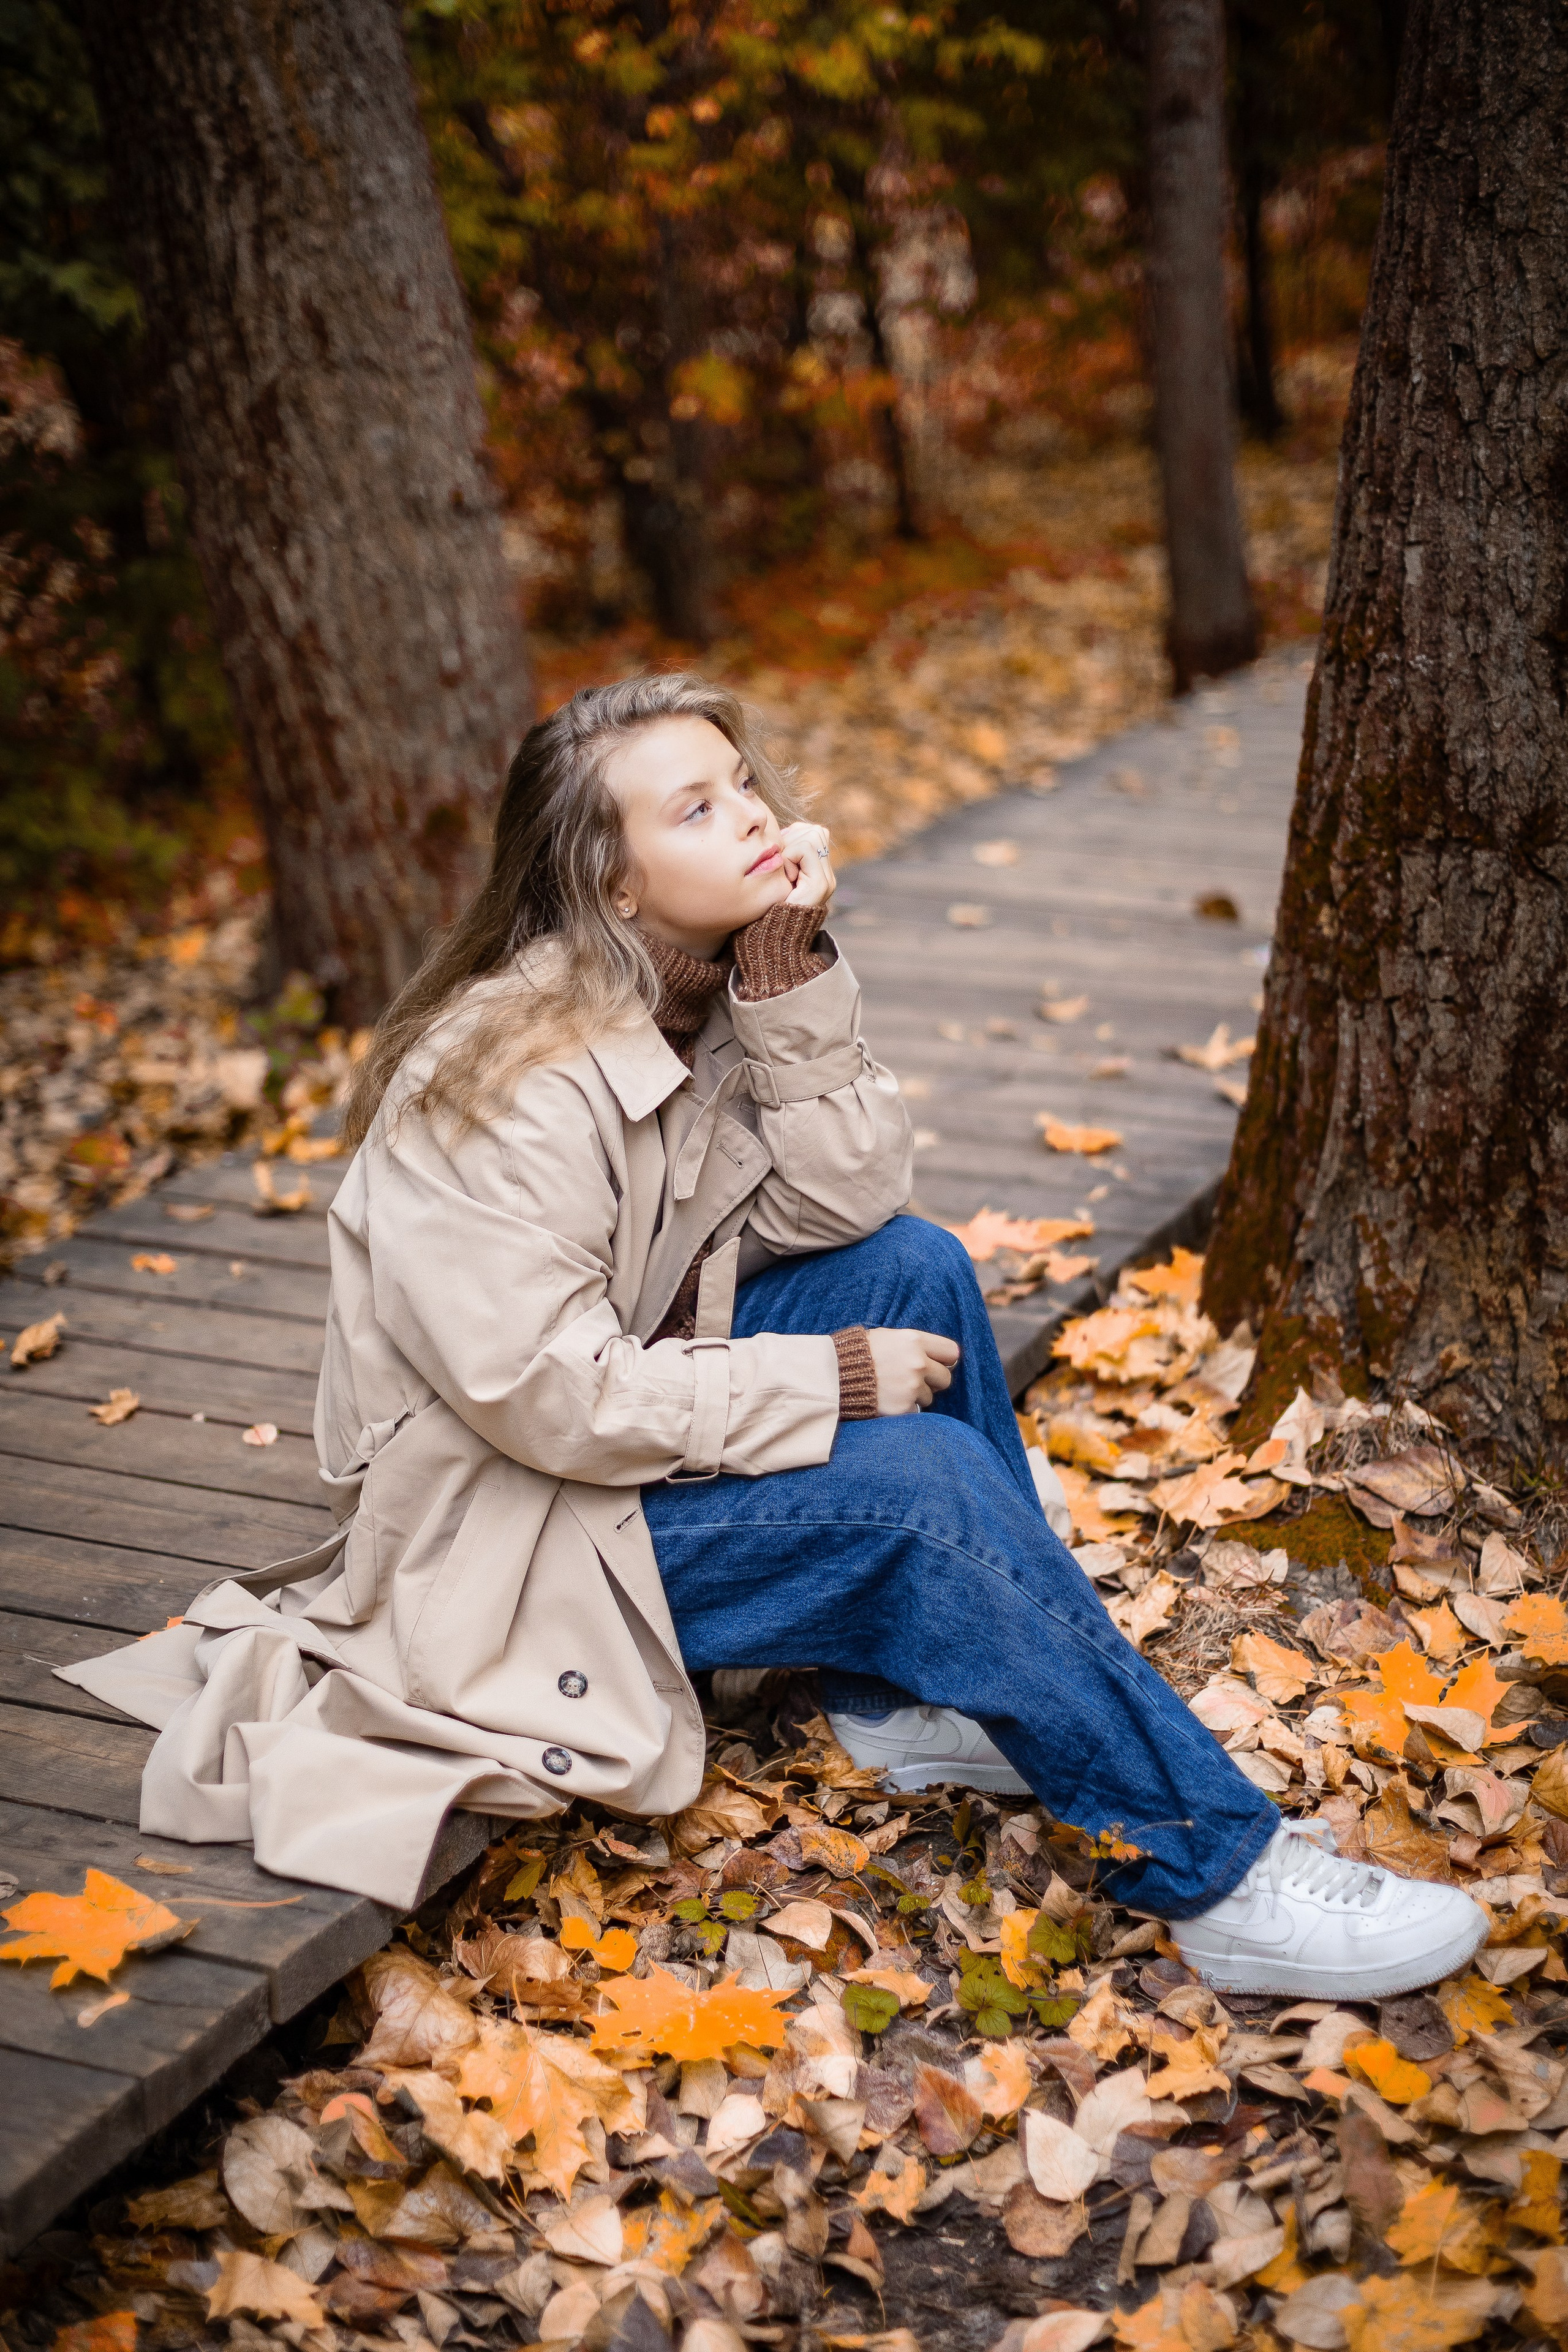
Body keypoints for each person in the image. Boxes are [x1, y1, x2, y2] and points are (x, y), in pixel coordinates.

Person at [61, 674, 1485, 2000]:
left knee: (913, 1267)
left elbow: (850, 1199)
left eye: (741, 786)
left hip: (617, 1447)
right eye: (693, 807)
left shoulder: (693, 998)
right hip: (509, 1540)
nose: (748, 815)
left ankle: (895, 1701)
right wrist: (827, 1382)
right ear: (606, 877)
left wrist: (788, 982)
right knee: (918, 1496)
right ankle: (1224, 1881)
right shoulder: (498, 1082)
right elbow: (544, 1397)